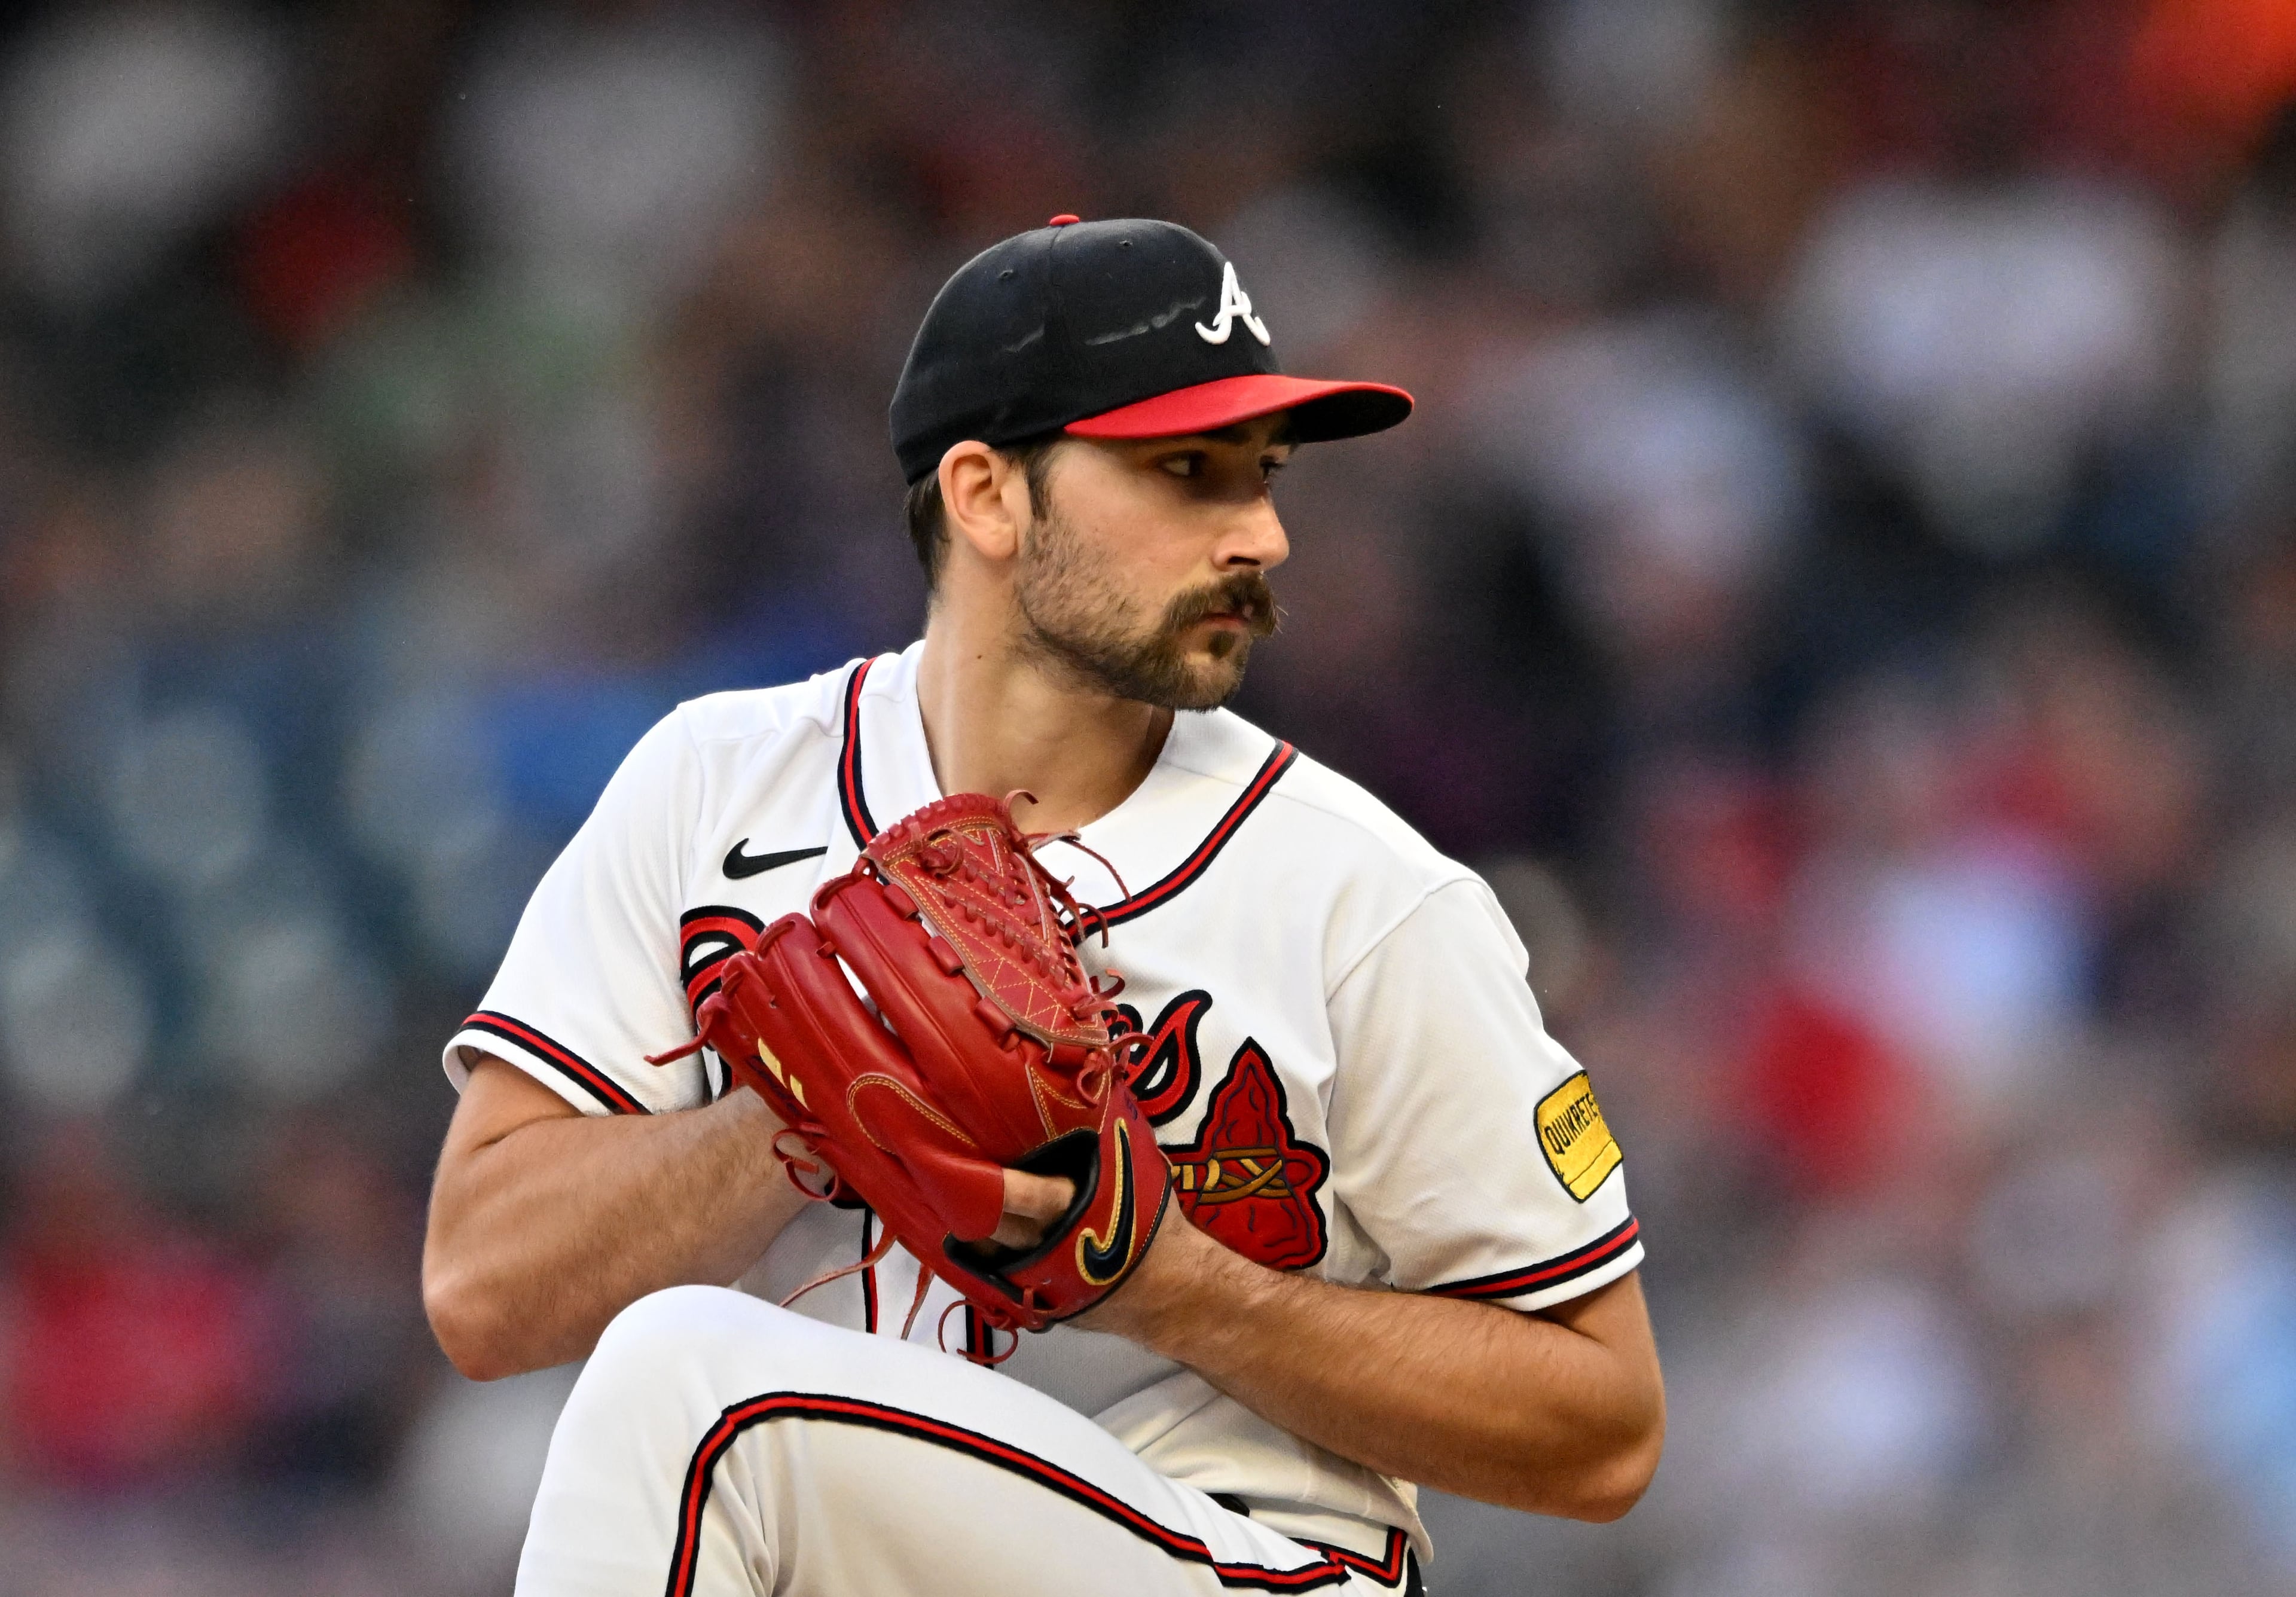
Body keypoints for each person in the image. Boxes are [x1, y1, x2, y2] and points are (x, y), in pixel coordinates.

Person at [421, 216, 1664, 1596]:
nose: (1261, 531)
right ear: (986, 496)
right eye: (1187, 473)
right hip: (866, 1549)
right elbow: (483, 1290)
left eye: (1262, 476)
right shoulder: (716, 786)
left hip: (1258, 1559)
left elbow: (1604, 1429)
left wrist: (1189, 1292)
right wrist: (797, 1107)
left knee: (694, 1394)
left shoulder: (1366, 894)